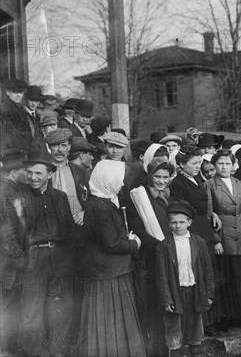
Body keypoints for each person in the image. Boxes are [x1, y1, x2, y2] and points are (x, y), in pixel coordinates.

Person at [5, 151, 79, 355]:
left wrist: (69, 259)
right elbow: (8, 236)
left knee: (59, 311)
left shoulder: (60, 198)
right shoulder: (18, 199)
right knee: (32, 314)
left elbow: (70, 230)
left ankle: (58, 352)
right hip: (33, 261)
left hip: (59, 260)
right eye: (29, 173)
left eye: (38, 173)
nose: (33, 178)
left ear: (50, 174)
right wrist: (23, 262)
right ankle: (34, 353)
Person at [78, 160, 145, 356]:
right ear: (107, 180)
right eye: (120, 180)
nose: (123, 184)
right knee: (110, 317)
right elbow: (110, 244)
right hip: (107, 272)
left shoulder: (104, 200)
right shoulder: (100, 206)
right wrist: (134, 244)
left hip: (112, 270)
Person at [170, 144, 222, 336]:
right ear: (182, 164)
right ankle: (204, 323)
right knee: (199, 274)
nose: (198, 166)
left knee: (208, 273)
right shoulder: (178, 183)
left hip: (204, 230)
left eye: (200, 162)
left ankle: (211, 319)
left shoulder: (195, 179)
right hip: (194, 232)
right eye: (194, 163)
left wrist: (212, 214)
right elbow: (182, 210)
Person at [126, 156, 176, 356]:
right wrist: (159, 246)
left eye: (165, 177)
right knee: (155, 305)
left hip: (170, 253)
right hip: (151, 256)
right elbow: (137, 227)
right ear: (149, 175)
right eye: (158, 176)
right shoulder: (139, 197)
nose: (162, 181)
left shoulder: (169, 195)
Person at [156, 201, 215, 357]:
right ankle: (175, 352)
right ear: (168, 223)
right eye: (173, 222)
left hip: (195, 289)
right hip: (176, 291)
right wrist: (166, 299)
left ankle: (196, 351)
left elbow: (207, 270)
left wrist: (209, 294)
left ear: (189, 222)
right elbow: (161, 275)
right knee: (174, 324)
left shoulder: (199, 242)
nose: (178, 226)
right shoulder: (163, 246)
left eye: (182, 222)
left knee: (195, 323)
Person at [205, 150, 241, 327]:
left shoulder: (240, 184)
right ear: (214, 165)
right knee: (227, 276)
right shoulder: (209, 185)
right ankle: (227, 318)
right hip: (223, 234)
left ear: (233, 166)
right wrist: (216, 239)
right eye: (220, 163)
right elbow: (209, 213)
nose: (224, 167)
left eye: (227, 163)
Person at [0, 149, 27, 354]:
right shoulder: (6, 193)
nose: (28, 174)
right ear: (15, 171)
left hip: (11, 261)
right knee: (9, 305)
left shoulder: (13, 189)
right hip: (9, 263)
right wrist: (22, 260)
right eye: (24, 169)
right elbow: (7, 236)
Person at [44, 128, 90, 225]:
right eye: (55, 145)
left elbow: (92, 197)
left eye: (63, 145)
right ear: (49, 147)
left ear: (69, 147)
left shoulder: (80, 171)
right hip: (52, 225)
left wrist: (84, 213)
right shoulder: (43, 171)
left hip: (77, 223)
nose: (60, 150)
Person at [1, 84, 45, 156]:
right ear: (25, 99)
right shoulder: (18, 114)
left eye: (36, 100)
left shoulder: (37, 116)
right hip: (22, 155)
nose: (33, 103)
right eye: (31, 100)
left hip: (37, 155)